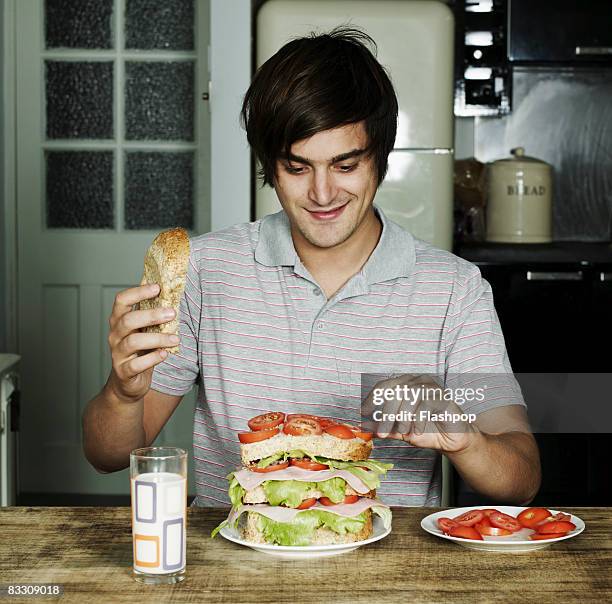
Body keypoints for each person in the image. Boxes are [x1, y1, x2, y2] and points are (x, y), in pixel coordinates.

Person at [83, 28, 540, 507]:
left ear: (379, 161)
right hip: (227, 570)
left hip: (390, 575)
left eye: (345, 166)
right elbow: (106, 456)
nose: (323, 194)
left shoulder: (452, 289)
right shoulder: (206, 270)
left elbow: (521, 478)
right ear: (270, 167)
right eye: (298, 168)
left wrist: (464, 436)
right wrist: (122, 393)